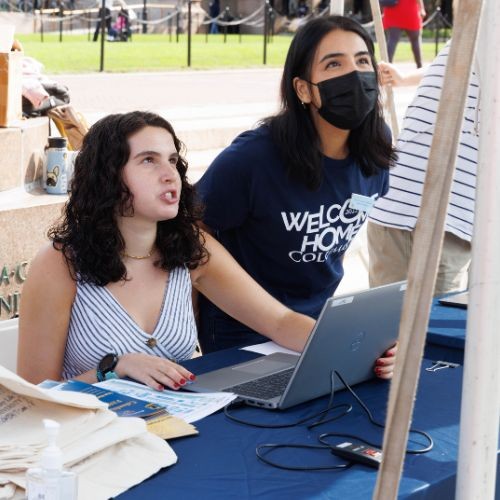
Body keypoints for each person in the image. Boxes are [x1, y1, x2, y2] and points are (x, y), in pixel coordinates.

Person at [17, 111, 396, 389]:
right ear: (107, 177)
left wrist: (359, 349)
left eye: (172, 161)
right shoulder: (59, 264)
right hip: (90, 442)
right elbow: (34, 394)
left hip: (178, 430)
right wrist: (113, 368)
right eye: (148, 161)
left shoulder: (190, 248)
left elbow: (279, 322)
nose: (170, 175)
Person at [196, 16, 397, 354]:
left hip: (320, 327)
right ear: (303, 89)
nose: (354, 74)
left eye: (363, 61)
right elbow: (189, 229)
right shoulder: (254, 157)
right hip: (244, 338)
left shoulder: (376, 144)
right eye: (334, 63)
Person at [367, 41, 479, 295]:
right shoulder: (476, 24)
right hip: (396, 205)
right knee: (386, 328)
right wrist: (406, 78)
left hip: (450, 217)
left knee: (430, 330)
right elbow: (457, 62)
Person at [382, 0, 426, 68]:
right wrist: (422, 8)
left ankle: (386, 66)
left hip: (393, 11)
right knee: (415, 40)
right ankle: (420, 66)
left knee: (392, 40)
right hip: (409, 11)